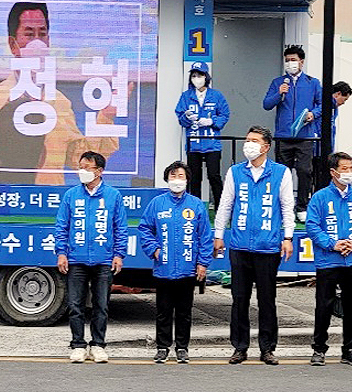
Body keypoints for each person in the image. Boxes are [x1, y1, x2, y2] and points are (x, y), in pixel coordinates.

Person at [0, 0, 119, 184]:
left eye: (42, 34)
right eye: (29, 35)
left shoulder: (59, 101)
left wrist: (106, 116)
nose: (37, 42)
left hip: (51, 200)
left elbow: (81, 162)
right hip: (11, 198)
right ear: (13, 44)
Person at [214, 126, 295, 365]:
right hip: (239, 246)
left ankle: (267, 348)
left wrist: (288, 237)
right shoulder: (235, 172)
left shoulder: (281, 172)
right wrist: (219, 234)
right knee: (239, 299)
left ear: (266, 147)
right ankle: (239, 347)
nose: (248, 144)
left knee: (267, 300)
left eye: (254, 140)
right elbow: (225, 205)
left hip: (268, 247)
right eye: (247, 139)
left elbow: (287, 206)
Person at [55, 150, 128, 363]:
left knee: (101, 305)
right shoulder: (71, 195)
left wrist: (119, 254)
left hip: (104, 259)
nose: (82, 171)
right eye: (80, 167)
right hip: (76, 259)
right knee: (75, 305)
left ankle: (98, 344)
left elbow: (120, 227)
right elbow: (62, 225)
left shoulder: (113, 195)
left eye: (87, 168)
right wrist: (61, 253)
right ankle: (78, 344)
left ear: (99, 171)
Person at [138, 161, 213, 364]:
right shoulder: (157, 203)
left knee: (184, 312)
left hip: (188, 268)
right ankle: (162, 347)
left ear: (187, 180)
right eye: (173, 176)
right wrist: (153, 249)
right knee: (163, 311)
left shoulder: (196, 204)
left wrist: (203, 263)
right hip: (163, 268)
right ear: (167, 179)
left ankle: (182, 348)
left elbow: (205, 236)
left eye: (181, 176)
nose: (177, 180)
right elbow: (144, 229)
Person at [307, 152, 352, 367]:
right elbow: (312, 225)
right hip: (328, 260)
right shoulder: (320, 197)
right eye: (344, 168)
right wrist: (332, 244)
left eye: (350, 168)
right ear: (333, 172)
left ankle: (349, 349)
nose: (349, 173)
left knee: (351, 306)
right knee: (324, 306)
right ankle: (319, 349)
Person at [262, 45, 322, 221]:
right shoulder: (278, 82)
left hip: (305, 136)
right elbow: (266, 104)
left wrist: (313, 114)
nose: (290, 63)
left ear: (301, 62)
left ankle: (302, 207)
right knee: (282, 174)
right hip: (283, 136)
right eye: (287, 60)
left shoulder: (313, 82)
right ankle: (283, 209)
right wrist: (279, 94)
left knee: (305, 171)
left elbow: (322, 104)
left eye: (293, 60)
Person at [174, 62, 230, 209]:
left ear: (206, 77)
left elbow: (225, 115)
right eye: (193, 75)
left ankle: (221, 208)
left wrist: (211, 121)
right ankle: (195, 209)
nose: (196, 78)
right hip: (194, 144)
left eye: (200, 75)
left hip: (212, 143)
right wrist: (187, 117)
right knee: (194, 178)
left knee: (214, 176)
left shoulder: (216, 95)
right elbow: (180, 117)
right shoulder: (186, 96)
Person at [329, 81, 352, 148]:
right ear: (338, 94)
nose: (343, 103)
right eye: (344, 99)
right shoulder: (326, 106)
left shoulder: (334, 108)